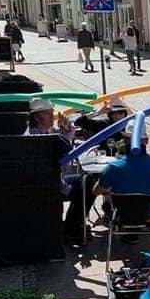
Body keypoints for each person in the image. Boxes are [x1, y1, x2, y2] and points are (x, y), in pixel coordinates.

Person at [27, 98, 95, 242]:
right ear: (37, 116)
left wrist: (67, 131)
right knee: (86, 188)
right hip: (49, 185)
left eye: (52, 112)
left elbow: (64, 143)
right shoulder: (35, 137)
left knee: (89, 181)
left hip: (56, 180)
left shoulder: (47, 130)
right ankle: (72, 228)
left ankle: (73, 225)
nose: (52, 116)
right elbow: (62, 156)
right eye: (48, 113)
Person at [93, 119, 150, 243]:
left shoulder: (114, 167)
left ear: (125, 140)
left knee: (107, 197)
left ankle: (124, 233)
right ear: (146, 141)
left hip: (122, 216)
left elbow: (96, 191)